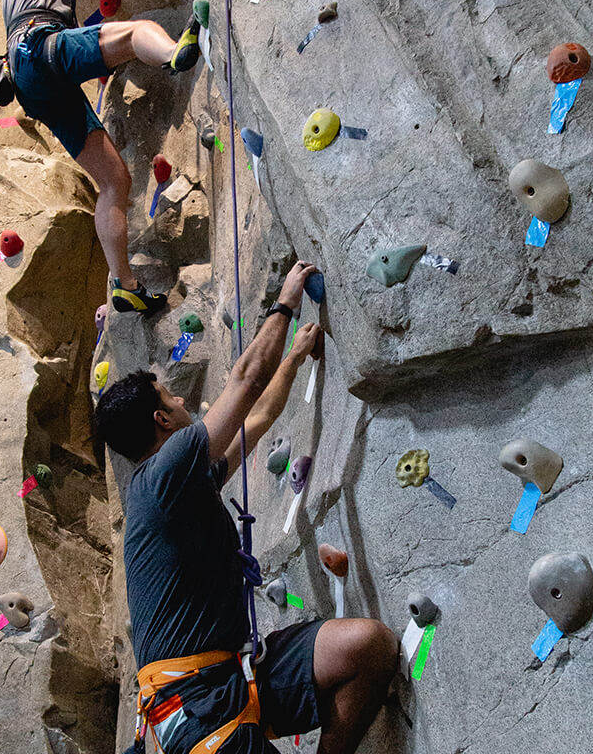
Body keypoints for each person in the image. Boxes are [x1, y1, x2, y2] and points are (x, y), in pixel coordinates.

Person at [95, 261, 398, 754]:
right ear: (161, 420)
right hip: (193, 709)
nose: (180, 401)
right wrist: (286, 303)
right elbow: (246, 380)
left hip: (236, 674)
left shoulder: (180, 487)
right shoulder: (160, 476)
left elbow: (257, 416)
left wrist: (295, 357)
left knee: (369, 647)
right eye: (171, 396)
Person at [1, 0, 204, 316]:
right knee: (134, 32)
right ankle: (173, 53)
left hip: (28, 78)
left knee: (114, 180)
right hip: (39, 44)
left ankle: (124, 287)